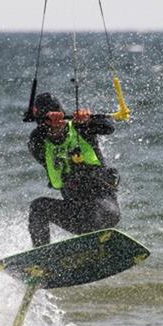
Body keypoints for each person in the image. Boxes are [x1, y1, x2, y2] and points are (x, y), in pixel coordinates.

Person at [27, 92, 121, 247]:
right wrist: (47, 122)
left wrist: (88, 120)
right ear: (43, 124)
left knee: (94, 210)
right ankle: (42, 254)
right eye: (51, 123)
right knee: (38, 207)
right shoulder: (39, 144)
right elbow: (36, 137)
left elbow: (109, 127)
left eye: (60, 119)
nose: (57, 126)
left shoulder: (82, 128)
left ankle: (97, 244)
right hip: (76, 215)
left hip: (105, 209)